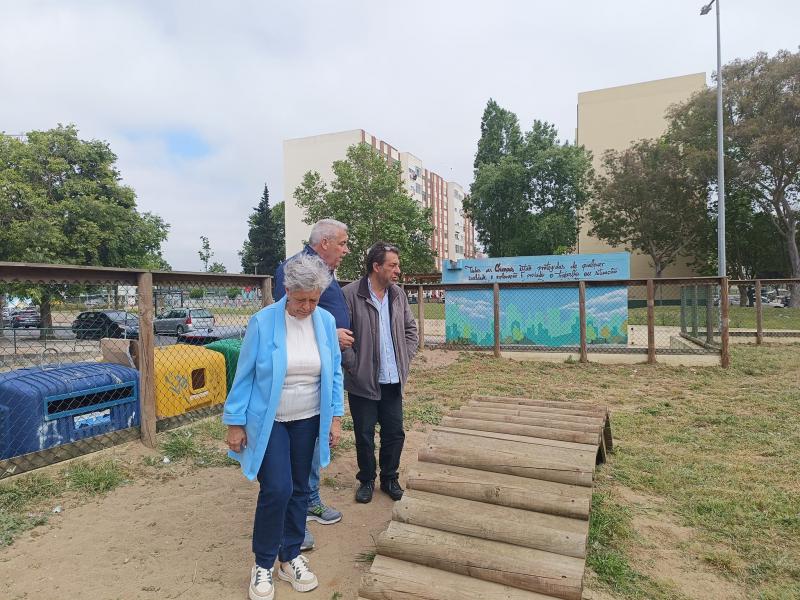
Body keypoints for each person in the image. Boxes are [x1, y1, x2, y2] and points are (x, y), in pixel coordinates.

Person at [224, 253, 344, 599]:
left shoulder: (324, 321)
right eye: (301, 299)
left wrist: (335, 417)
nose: (308, 307)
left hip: (309, 419)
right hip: (271, 420)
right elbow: (243, 376)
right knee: (277, 488)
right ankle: (262, 564)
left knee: (301, 490)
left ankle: (289, 557)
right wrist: (234, 422)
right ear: (286, 291)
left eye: (314, 299)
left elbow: (334, 374)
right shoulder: (263, 322)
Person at [274, 219, 352, 550]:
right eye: (343, 243)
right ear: (324, 243)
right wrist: (327, 334)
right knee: (297, 449)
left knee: (314, 439)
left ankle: (310, 500)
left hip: (324, 367)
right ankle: (296, 514)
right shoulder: (295, 269)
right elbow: (288, 315)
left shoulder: (323, 270)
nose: (346, 250)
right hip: (300, 376)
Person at [341, 242, 418, 503]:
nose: (398, 270)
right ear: (377, 267)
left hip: (393, 380)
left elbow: (411, 330)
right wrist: (354, 366)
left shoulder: (398, 295)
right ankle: (366, 481)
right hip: (363, 381)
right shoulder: (350, 294)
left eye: (397, 265)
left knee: (394, 432)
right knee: (364, 434)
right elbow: (342, 339)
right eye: (392, 265)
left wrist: (404, 359)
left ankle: (389, 478)